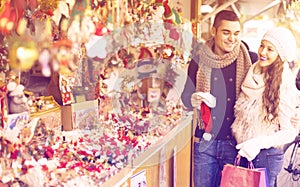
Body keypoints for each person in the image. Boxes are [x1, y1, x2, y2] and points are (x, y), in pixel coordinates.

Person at [180, 10, 258, 187]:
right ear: (213, 32)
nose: (232, 38)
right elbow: (185, 98)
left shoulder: (250, 60)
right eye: (226, 32)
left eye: (236, 33)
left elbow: (268, 93)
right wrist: (195, 98)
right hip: (205, 143)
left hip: (236, 144)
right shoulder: (198, 59)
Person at [231, 27, 299, 187]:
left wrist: (257, 143)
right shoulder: (253, 72)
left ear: (280, 55)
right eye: (262, 45)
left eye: (270, 49)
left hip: (265, 155)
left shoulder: (283, 83)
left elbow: (289, 132)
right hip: (243, 151)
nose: (263, 52)